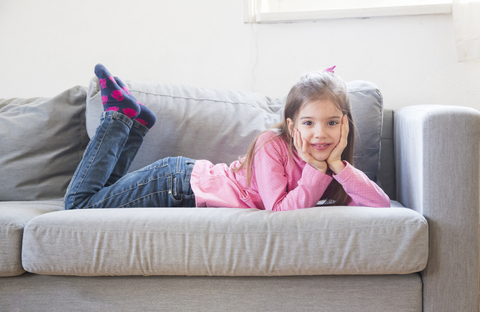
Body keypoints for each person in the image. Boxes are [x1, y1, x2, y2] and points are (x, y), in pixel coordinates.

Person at [64, 64, 390, 211]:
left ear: (345, 125)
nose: (320, 133)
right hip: (177, 186)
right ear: (292, 127)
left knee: (100, 199)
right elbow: (279, 211)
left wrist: (338, 166)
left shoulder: (334, 168)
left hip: (184, 183)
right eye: (308, 123)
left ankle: (135, 123)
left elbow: (379, 203)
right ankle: (120, 118)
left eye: (332, 122)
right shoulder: (271, 145)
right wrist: (317, 171)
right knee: (79, 206)